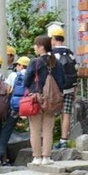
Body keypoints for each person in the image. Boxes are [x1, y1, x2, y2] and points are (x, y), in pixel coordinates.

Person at [24, 35, 65, 165]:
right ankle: (46, 157)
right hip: (51, 100)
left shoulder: (35, 62)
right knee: (48, 129)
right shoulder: (55, 62)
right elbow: (62, 82)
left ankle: (37, 157)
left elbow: (26, 81)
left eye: (36, 45)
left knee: (35, 129)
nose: (34, 47)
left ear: (41, 47)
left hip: (36, 99)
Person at [0, 56, 29, 166]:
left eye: (18, 65)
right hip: (28, 105)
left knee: (7, 130)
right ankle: (38, 154)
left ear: (20, 65)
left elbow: (8, 90)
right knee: (34, 128)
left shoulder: (13, 75)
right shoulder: (31, 75)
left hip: (15, 106)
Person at [48, 25, 77, 150]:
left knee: (52, 114)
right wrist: (75, 89)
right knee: (66, 113)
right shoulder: (70, 53)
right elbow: (76, 71)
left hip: (56, 90)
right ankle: (64, 140)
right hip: (70, 88)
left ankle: (50, 139)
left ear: (54, 39)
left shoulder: (51, 54)